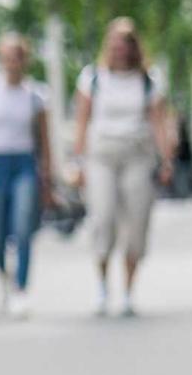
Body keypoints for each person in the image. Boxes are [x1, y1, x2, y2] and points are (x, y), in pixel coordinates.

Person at [70, 18, 175, 318]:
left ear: (133, 47)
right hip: (100, 155)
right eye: (115, 42)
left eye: (126, 42)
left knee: (137, 223)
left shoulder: (148, 80)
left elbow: (158, 122)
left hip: (137, 155)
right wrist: (77, 162)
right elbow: (81, 122)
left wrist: (166, 159)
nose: (119, 48)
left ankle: (128, 291)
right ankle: (103, 287)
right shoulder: (92, 78)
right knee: (102, 219)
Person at [0, 33, 54, 318]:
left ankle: (21, 288)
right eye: (6, 56)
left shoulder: (35, 95)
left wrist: (47, 176)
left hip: (25, 164)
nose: (11, 62)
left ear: (24, 60)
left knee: (23, 225)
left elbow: (44, 139)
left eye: (16, 56)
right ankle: (4, 277)